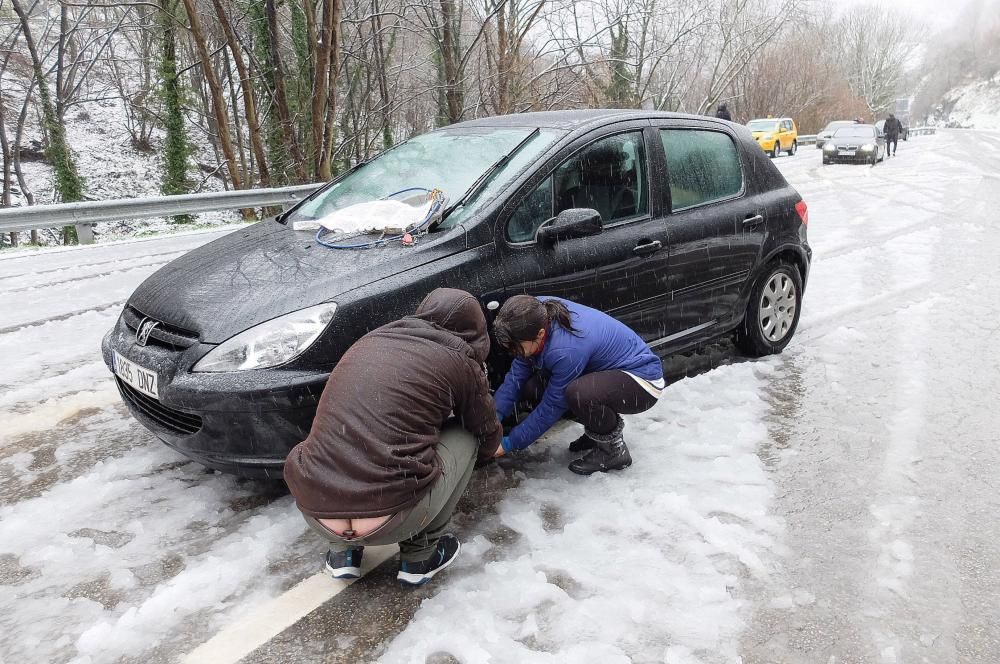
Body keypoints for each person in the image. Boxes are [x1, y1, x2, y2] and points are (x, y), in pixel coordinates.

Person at [284, 288, 502, 586]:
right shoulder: (459, 359)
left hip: (317, 508)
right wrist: (493, 449)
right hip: (392, 518)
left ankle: (342, 552)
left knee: (341, 440)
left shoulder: (370, 341)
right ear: (474, 333)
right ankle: (420, 556)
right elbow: (485, 429)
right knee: (468, 435)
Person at [491, 295, 665, 475]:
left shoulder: (566, 350)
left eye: (515, 346)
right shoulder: (531, 314)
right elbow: (516, 376)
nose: (511, 351)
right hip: (606, 374)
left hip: (642, 381)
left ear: (540, 334)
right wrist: (493, 418)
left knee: (577, 394)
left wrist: (509, 443)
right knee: (533, 388)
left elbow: (552, 405)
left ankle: (613, 450)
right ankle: (596, 433)